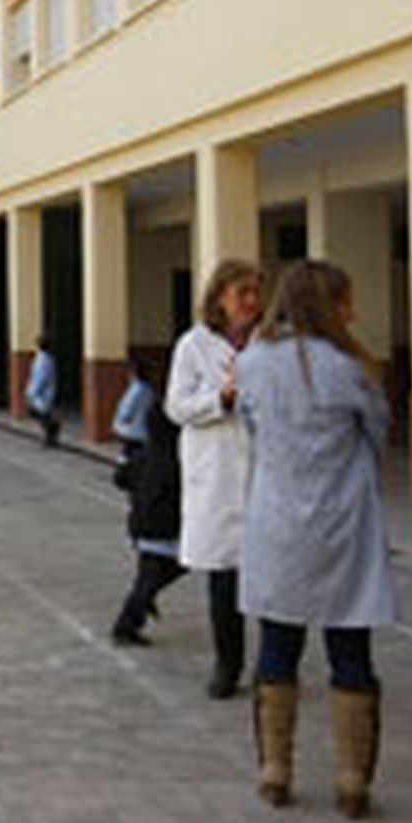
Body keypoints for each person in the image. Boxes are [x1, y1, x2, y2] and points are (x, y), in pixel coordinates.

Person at [237, 261, 395, 818]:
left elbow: (250, 428)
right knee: (349, 649)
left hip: (276, 523)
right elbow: (377, 434)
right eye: (346, 301)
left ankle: (275, 769)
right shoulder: (351, 369)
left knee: (278, 647)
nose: (353, 312)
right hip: (343, 525)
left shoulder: (253, 363)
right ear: (330, 306)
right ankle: (353, 781)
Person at [165, 258, 263, 701]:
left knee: (268, 578)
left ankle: (274, 667)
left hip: (265, 473)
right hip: (217, 474)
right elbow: (177, 406)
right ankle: (228, 664)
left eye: (256, 293)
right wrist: (218, 400)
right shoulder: (194, 346)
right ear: (219, 297)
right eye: (242, 293)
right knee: (224, 579)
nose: (251, 302)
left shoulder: (271, 343)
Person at [110, 403, 187, 647]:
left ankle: (143, 601)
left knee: (150, 576)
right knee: (155, 575)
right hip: (163, 530)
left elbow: (120, 478)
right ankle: (127, 624)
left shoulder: (145, 454)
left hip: (143, 526)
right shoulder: (178, 459)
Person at [110, 358, 157, 464]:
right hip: (143, 429)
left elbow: (127, 409)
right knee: (136, 452)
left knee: (127, 453)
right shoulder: (149, 389)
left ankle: (125, 471)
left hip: (132, 429)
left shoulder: (136, 389)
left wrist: (119, 421)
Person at [24, 336, 60, 448]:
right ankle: (50, 435)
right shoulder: (48, 358)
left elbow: (40, 377)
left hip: (42, 392)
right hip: (47, 391)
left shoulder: (42, 360)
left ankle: (51, 431)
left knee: (38, 412)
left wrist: (32, 392)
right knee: (43, 413)